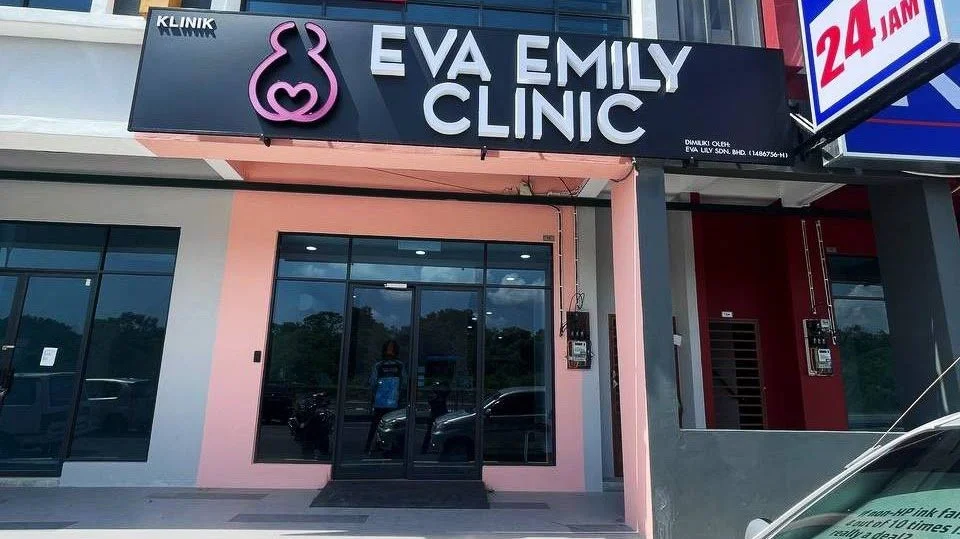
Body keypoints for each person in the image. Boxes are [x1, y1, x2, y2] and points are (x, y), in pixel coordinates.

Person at [365, 340, 404, 455]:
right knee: (394, 425)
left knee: (376, 425)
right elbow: (405, 383)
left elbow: (372, 383)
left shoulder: (379, 366)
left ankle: (371, 447)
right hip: (393, 400)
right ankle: (393, 447)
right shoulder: (399, 366)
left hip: (381, 400)